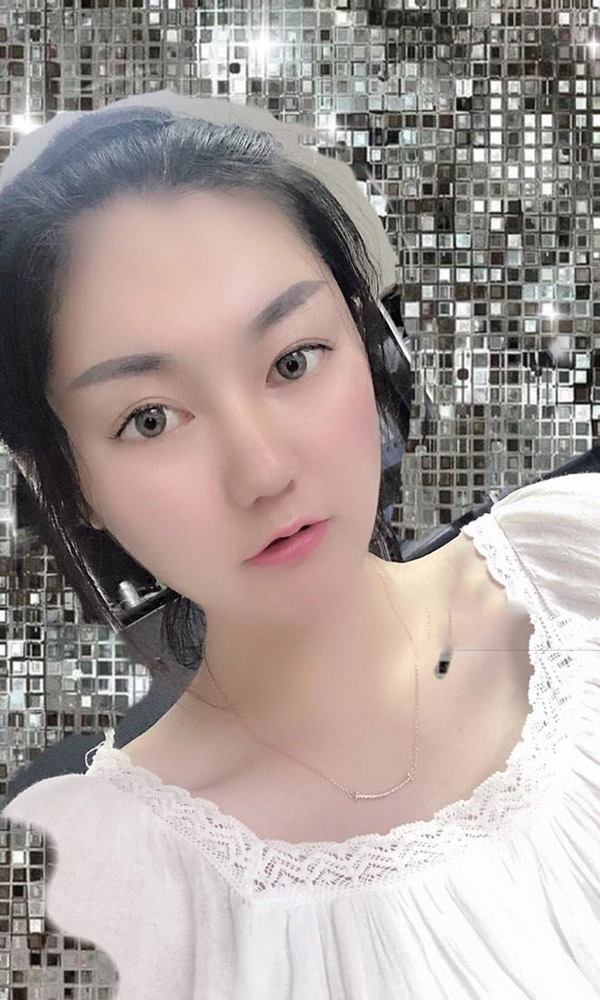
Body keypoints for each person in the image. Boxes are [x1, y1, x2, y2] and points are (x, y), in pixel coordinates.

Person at [1, 92, 599, 999]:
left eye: (292, 360)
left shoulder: (574, 566)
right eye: (150, 418)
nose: (263, 471)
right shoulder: (94, 887)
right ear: (67, 481)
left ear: (367, 339)